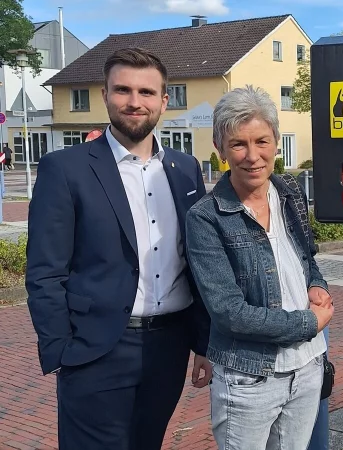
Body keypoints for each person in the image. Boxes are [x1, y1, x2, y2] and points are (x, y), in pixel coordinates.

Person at [25, 47, 212, 450]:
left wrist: (202, 341)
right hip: (96, 351)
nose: (134, 102)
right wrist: (60, 348)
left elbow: (196, 263)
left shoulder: (186, 169)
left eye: (146, 92)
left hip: (170, 346)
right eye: (123, 90)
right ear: (106, 94)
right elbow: (44, 271)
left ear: (164, 100)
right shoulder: (65, 169)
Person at [185, 85, 333, 450]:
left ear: (276, 141)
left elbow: (306, 257)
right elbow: (228, 313)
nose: (252, 156)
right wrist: (308, 323)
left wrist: (318, 284)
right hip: (249, 376)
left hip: (308, 366)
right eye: (238, 144)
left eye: (262, 141)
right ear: (220, 150)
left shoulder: (289, 192)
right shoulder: (205, 218)